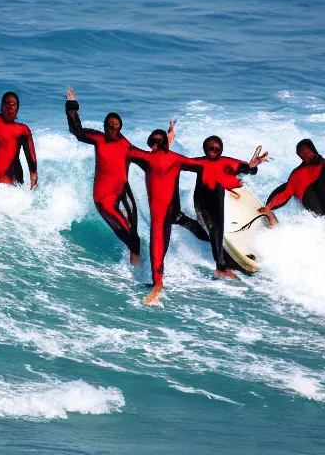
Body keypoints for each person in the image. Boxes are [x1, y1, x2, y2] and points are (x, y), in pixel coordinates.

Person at [65, 85, 141, 264]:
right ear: (105, 126)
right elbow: (78, 132)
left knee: (134, 235)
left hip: (123, 192)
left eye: (117, 125)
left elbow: (149, 160)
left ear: (121, 127)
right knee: (129, 237)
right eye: (110, 125)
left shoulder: (126, 145)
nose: (114, 128)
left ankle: (136, 267)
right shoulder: (98, 139)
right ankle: (136, 272)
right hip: (104, 199)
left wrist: (164, 147)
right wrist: (71, 106)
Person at [128, 129, 205, 306]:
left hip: (163, 214)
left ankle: (158, 286)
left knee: (157, 245)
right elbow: (198, 163)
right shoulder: (174, 158)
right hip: (173, 212)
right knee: (175, 232)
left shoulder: (149, 158)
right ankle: (209, 242)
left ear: (155, 145)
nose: (151, 149)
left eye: (152, 145)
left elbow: (131, 152)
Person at [191, 136, 268, 279]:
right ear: (205, 148)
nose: (214, 151)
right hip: (202, 201)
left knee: (216, 229)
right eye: (211, 148)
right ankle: (220, 267)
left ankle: (221, 263)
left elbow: (247, 170)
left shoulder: (226, 161)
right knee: (211, 230)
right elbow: (177, 164)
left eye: (218, 149)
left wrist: (254, 165)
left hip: (217, 199)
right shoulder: (199, 162)